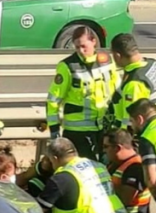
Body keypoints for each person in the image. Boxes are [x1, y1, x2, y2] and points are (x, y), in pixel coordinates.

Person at [46, 26, 120, 159]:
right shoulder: (67, 66)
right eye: (77, 47)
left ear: (93, 41)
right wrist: (54, 131)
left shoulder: (107, 61)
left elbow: (118, 92)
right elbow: (53, 101)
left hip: (104, 128)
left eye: (84, 46)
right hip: (77, 132)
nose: (80, 51)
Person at [108, 33, 156, 129]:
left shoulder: (135, 83)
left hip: (141, 132)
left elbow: (133, 120)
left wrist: (125, 137)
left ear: (117, 56)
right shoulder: (154, 64)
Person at [103, 128, 152, 213]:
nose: (104, 151)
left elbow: (124, 200)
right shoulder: (117, 162)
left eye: (106, 147)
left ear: (118, 148)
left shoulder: (135, 167)